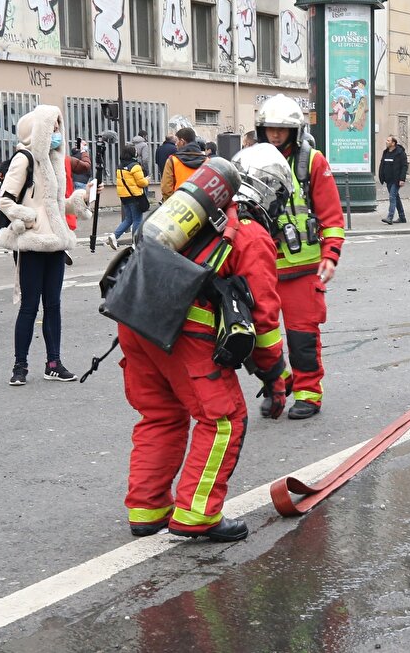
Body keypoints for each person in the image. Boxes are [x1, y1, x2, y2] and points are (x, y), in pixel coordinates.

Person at [119, 145, 289, 542]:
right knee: (224, 419)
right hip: (184, 330)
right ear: (268, 190)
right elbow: (264, 317)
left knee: (161, 414)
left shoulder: (196, 217)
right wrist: (273, 370)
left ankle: (147, 508)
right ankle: (197, 514)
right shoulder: (250, 232)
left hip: (135, 319)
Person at [255, 94, 345, 420]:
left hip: (303, 267)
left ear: (293, 130)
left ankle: (308, 392)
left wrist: (330, 255)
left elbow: (332, 217)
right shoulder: (251, 160)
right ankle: (278, 383)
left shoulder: (312, 162)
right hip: (260, 267)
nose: (276, 135)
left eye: (282, 129)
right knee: (259, 338)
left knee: (301, 335)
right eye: (270, 128)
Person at [0, 105, 77, 385]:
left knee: (53, 305)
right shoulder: (25, 159)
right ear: (38, 129)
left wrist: (73, 204)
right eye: (51, 127)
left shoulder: (52, 161)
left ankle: (53, 363)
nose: (57, 132)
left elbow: (50, 205)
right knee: (29, 306)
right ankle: (20, 366)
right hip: (32, 243)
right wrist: (27, 216)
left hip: (56, 243)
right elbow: (4, 199)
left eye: (58, 126)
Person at [107, 143, 149, 249]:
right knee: (137, 220)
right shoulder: (135, 166)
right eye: (135, 151)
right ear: (132, 153)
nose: (136, 152)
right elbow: (141, 183)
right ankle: (136, 242)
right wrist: (147, 180)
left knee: (128, 219)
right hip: (135, 196)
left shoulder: (120, 166)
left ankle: (114, 236)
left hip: (124, 196)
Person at [160, 127, 208, 200]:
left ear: (182, 141)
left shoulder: (173, 160)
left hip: (179, 204)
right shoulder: (207, 161)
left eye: (177, 141)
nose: (176, 144)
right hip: (200, 204)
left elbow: (166, 188)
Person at [379, 135, 408, 225]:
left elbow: (404, 166)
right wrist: (382, 176)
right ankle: (402, 217)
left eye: (388, 141)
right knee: (396, 198)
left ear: (393, 143)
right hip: (388, 180)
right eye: (386, 140)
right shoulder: (386, 152)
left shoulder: (400, 153)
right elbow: (382, 164)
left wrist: (402, 179)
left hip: (396, 180)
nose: (386, 142)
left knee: (392, 197)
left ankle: (390, 217)